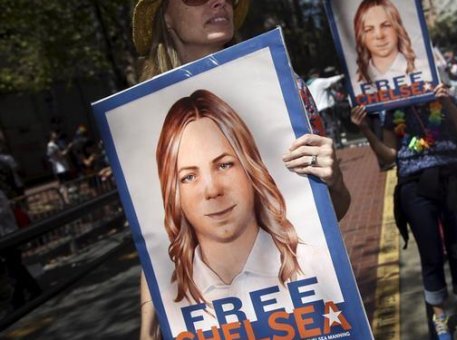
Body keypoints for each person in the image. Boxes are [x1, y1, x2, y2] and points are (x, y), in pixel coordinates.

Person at [131, 0, 351, 338]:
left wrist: (332, 181)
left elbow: (331, 213)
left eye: (225, 164)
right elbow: (156, 242)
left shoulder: (283, 88)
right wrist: (148, 325)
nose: (218, 1)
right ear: (167, 17)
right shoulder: (139, 118)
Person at [154, 89, 340, 327]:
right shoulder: (173, 296)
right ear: (173, 193)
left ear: (250, 167)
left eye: (224, 165)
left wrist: (334, 182)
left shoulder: (314, 264)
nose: (212, 190)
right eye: (189, 177)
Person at [351, 85, 457, 340]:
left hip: (454, 177)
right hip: (414, 185)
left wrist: (447, 104)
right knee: (430, 251)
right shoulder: (393, 109)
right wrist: (366, 129)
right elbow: (390, 155)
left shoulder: (448, 97)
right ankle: (439, 314)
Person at [353, 0, 421, 83]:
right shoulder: (357, 83)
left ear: (397, 28)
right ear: (361, 36)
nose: (379, 35)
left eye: (386, 25)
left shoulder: (423, 70)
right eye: (369, 29)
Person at [307, 69, 345, 147]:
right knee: (332, 125)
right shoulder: (319, 82)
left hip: (316, 110)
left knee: (323, 127)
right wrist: (342, 75)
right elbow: (330, 81)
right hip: (325, 107)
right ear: (316, 74)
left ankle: (326, 144)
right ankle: (336, 143)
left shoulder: (308, 85)